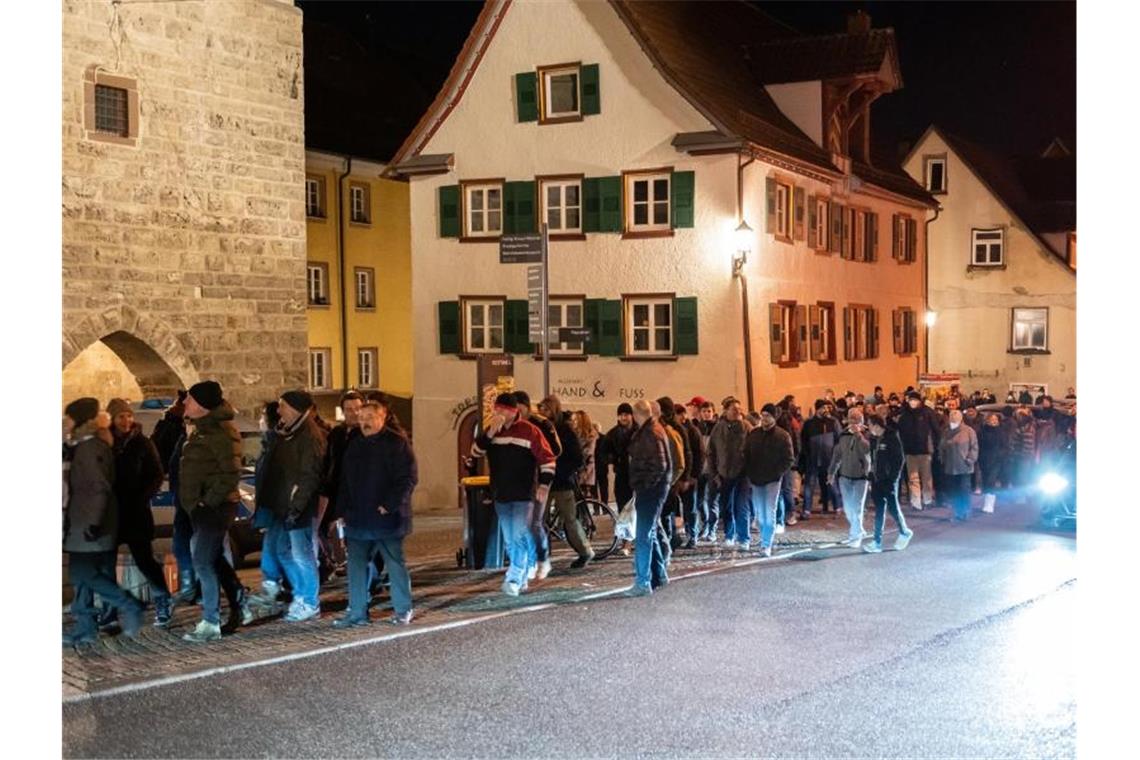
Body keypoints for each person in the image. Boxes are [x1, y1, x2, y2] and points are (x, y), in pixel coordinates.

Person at [64, 398, 144, 646]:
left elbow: (99, 488)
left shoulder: (90, 448)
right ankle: (86, 627)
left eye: (69, 417)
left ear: (80, 420)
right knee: (81, 576)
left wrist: (93, 523)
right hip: (82, 522)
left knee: (84, 572)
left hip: (89, 523)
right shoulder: (80, 445)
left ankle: (129, 605)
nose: (65, 421)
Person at [333, 399, 418, 627]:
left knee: (394, 562)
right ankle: (357, 612)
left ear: (382, 417)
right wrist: (341, 510)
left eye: (369, 418)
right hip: (357, 516)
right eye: (362, 418)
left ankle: (403, 609)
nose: (365, 422)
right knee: (356, 565)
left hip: (386, 517)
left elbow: (407, 479)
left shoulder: (397, 443)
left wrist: (389, 505)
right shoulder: (355, 445)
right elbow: (345, 481)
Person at [179, 381, 250, 642]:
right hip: (201, 508)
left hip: (214, 508)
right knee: (214, 558)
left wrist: (206, 502)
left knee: (202, 561)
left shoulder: (220, 431)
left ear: (201, 404)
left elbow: (230, 472)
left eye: (189, 398)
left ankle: (211, 621)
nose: (185, 402)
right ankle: (238, 602)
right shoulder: (201, 429)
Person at [470, 394, 555, 596]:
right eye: (496, 410)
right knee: (510, 538)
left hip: (524, 493)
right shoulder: (492, 432)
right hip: (501, 493)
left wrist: (544, 484)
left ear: (513, 411)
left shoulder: (529, 431)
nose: (498, 414)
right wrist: (490, 432)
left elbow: (548, 459)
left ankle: (514, 577)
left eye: (502, 410)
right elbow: (475, 452)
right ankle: (524, 573)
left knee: (518, 534)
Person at [259, 390, 328, 622]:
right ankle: (301, 594)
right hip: (282, 505)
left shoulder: (309, 436)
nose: (278, 411)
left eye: (282, 406)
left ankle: (309, 601)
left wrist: (296, 508)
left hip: (296, 507)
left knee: (301, 554)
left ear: (295, 409)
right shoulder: (286, 434)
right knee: (283, 550)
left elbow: (309, 476)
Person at [106, 398, 171, 628]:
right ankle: (110, 612)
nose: (126, 420)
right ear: (112, 419)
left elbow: (156, 474)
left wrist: (142, 497)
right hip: (111, 513)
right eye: (121, 416)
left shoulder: (142, 443)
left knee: (145, 560)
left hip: (135, 511)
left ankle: (163, 601)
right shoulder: (105, 443)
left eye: (128, 415)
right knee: (106, 563)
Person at [624, 399, 671, 596]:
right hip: (654, 489)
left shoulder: (650, 433)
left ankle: (643, 582)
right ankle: (659, 575)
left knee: (643, 535)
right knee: (649, 531)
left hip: (650, 491)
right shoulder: (653, 430)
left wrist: (643, 486)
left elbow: (659, 466)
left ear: (636, 415)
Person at [538, 395, 592, 569]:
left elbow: (576, 457)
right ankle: (541, 555)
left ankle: (585, 552)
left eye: (545, 408)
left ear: (553, 409)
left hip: (561, 482)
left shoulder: (564, 429)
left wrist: (561, 471)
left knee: (570, 520)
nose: (541, 412)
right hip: (545, 481)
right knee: (539, 520)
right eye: (541, 408)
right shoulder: (540, 427)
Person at [515, 390, 561, 581]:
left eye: (518, 408)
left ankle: (541, 559)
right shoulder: (511, 425)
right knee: (519, 524)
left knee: (534, 522)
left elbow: (555, 451)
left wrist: (544, 473)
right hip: (518, 480)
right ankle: (528, 561)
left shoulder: (540, 424)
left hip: (537, 480)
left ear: (525, 407)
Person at [319, 390, 364, 581]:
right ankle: (336, 561)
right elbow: (328, 460)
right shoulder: (336, 433)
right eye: (349, 409)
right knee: (329, 529)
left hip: (358, 492)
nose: (353, 413)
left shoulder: (366, 433)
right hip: (335, 490)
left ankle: (361, 570)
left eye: (357, 408)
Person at [743, 404, 794, 557]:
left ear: (774, 417)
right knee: (759, 513)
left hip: (772, 480)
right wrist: (749, 472)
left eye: (768, 415)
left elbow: (789, 459)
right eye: (763, 415)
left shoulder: (782, 435)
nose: (764, 418)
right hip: (756, 478)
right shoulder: (754, 434)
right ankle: (763, 539)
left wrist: (777, 473)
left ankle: (766, 544)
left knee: (769, 512)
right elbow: (746, 454)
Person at [863, 414, 913, 553]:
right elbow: (873, 459)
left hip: (889, 480)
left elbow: (899, 459)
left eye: (870, 424)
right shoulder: (874, 439)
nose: (868, 428)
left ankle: (904, 531)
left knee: (893, 508)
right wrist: (871, 476)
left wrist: (893, 478)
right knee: (879, 509)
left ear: (876, 425)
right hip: (877, 479)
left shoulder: (891, 437)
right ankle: (876, 541)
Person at [707, 397, 751, 546]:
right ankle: (729, 534)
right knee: (726, 506)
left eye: (739, 409)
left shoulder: (746, 427)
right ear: (726, 411)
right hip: (724, 474)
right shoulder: (718, 428)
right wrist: (714, 474)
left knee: (742, 506)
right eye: (734, 409)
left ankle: (744, 537)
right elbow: (711, 452)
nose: (738, 412)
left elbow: (753, 449)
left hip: (743, 474)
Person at [828, 407, 872, 548]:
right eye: (850, 419)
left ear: (861, 422)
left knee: (857, 508)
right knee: (848, 508)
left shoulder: (867, 435)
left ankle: (855, 537)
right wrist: (831, 473)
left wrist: (859, 435)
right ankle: (858, 529)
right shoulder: (843, 436)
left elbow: (867, 450)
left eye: (856, 420)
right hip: (845, 477)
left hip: (861, 477)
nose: (852, 422)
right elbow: (837, 455)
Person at [655, 397, 690, 557]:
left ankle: (668, 545)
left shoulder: (673, 431)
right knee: (664, 514)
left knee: (666, 514)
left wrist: (678, 479)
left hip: (670, 481)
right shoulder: (662, 429)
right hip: (664, 480)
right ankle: (670, 541)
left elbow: (683, 457)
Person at [897, 391, 941, 510]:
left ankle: (927, 500)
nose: (913, 402)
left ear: (919, 401)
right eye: (911, 400)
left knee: (926, 477)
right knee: (913, 479)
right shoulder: (904, 415)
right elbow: (900, 432)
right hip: (910, 451)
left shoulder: (927, 413)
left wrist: (936, 446)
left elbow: (936, 430)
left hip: (925, 450)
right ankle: (916, 502)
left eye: (915, 400)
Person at [799, 400, 840, 518]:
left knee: (832, 484)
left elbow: (838, 439)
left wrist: (836, 456)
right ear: (817, 409)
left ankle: (837, 507)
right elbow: (804, 440)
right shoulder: (809, 424)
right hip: (813, 460)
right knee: (809, 486)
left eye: (827, 408)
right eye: (823, 408)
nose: (826, 410)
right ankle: (806, 510)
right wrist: (807, 455)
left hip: (829, 459)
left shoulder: (833, 422)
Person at [940, 409, 979, 522]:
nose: (954, 420)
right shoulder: (946, 432)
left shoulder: (968, 431)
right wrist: (942, 459)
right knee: (955, 490)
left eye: (956, 418)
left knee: (964, 489)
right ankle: (957, 511)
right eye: (952, 418)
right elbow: (941, 447)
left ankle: (965, 510)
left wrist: (970, 459)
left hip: (964, 466)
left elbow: (974, 447)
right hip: (950, 466)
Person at [676, 403, 704, 549]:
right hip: (676, 478)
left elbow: (699, 455)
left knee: (690, 508)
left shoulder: (692, 431)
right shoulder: (674, 430)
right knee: (678, 509)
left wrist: (693, 476)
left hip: (689, 477)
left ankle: (692, 535)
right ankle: (679, 535)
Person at [598, 403, 634, 510]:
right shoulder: (612, 434)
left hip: (637, 474)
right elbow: (603, 453)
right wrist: (613, 460)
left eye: (626, 415)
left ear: (631, 415)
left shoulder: (639, 431)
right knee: (622, 503)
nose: (623, 418)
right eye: (621, 415)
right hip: (621, 473)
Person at [693, 400, 719, 542]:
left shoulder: (717, 428)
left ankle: (712, 529)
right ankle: (705, 525)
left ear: (713, 412)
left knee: (712, 501)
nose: (707, 414)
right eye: (704, 411)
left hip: (713, 469)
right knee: (699, 500)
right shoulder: (697, 428)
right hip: (700, 470)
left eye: (709, 411)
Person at [570, 409, 601, 500]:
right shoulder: (573, 434)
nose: (573, 422)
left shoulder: (590, 436)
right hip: (577, 469)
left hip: (584, 470)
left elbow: (588, 454)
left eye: (575, 420)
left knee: (580, 498)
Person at [979, 412, 1007, 494]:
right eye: (992, 419)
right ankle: (986, 497)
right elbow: (980, 445)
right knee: (985, 480)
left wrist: (1000, 455)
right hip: (984, 459)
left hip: (996, 460)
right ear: (987, 420)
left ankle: (990, 501)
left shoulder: (1001, 431)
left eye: (996, 419)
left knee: (991, 481)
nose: (994, 421)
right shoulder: (982, 432)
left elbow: (1005, 445)